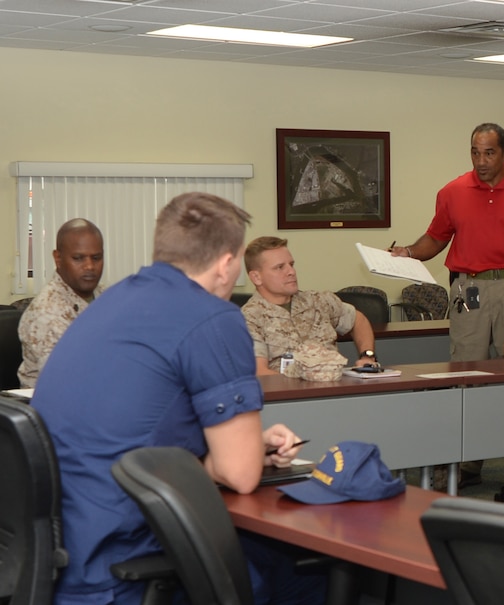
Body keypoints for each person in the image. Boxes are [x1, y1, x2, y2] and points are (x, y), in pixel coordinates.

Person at [32, 192, 323, 605]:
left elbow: (132, 435)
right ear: (226, 263)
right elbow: (239, 475)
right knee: (306, 566)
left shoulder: (111, 301)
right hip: (122, 565)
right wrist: (240, 455)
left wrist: (245, 447)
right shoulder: (214, 318)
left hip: (62, 554)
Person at [391, 122, 504, 488]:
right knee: (465, 373)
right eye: (475, 152)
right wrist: (407, 253)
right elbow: (435, 238)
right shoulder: (453, 192)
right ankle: (465, 459)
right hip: (468, 289)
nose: (481, 160)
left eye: (489, 152)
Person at [242, 236, 376, 375]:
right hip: (292, 394)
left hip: (337, 389)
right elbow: (260, 373)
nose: (291, 272)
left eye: (291, 264)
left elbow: (358, 320)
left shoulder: (317, 301)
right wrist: (309, 383)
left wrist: (367, 355)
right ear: (256, 277)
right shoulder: (249, 318)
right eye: (279, 267)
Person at [17, 218, 105, 387]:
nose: (89, 266)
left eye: (96, 257)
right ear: (58, 258)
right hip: (54, 406)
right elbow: (67, 382)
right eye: (78, 258)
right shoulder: (47, 312)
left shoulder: (105, 296)